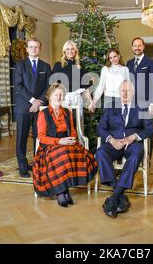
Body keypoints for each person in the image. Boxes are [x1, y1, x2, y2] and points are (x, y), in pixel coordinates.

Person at [95, 80, 153, 218]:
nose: (125, 93)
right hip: (113, 142)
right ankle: (120, 196)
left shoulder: (141, 106)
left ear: (133, 92)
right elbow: (101, 127)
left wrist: (134, 136)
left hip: (132, 143)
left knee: (136, 154)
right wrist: (111, 139)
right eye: (123, 90)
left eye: (128, 90)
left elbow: (150, 129)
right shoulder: (111, 106)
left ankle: (113, 198)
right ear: (119, 92)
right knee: (100, 152)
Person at [33, 83, 98, 207]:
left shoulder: (67, 112)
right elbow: (41, 137)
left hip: (67, 142)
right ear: (50, 97)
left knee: (76, 153)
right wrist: (59, 141)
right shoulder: (43, 114)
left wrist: (72, 139)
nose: (58, 97)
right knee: (61, 154)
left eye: (61, 95)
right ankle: (62, 193)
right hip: (49, 146)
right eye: (56, 95)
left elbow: (73, 132)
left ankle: (63, 191)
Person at [13, 38, 51, 178]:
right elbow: (18, 86)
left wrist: (39, 101)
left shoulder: (46, 66)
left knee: (39, 136)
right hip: (24, 106)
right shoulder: (20, 65)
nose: (34, 49)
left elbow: (48, 87)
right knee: (21, 138)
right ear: (27, 49)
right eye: (31, 47)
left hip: (40, 107)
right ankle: (22, 166)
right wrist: (32, 100)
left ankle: (38, 163)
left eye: (36, 47)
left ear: (39, 48)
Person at [51, 40, 92, 106]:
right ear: (64, 51)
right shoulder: (58, 65)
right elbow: (54, 85)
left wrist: (91, 102)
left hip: (77, 100)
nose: (70, 51)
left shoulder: (80, 66)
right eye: (67, 49)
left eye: (72, 49)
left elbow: (86, 87)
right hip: (62, 100)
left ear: (75, 51)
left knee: (77, 116)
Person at [126, 37, 153, 116]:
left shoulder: (151, 62)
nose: (137, 48)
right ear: (132, 47)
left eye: (139, 46)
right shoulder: (129, 63)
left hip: (146, 101)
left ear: (143, 47)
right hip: (131, 102)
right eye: (135, 46)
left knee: (146, 126)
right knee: (133, 126)